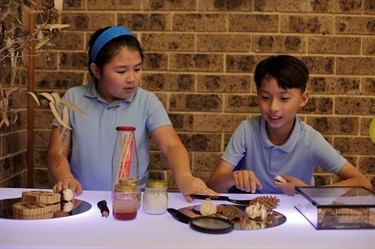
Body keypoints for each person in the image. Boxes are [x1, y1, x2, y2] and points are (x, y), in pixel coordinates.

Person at [47, 25, 217, 202]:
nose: (132, 78)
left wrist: (185, 177)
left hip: (131, 200)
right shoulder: (72, 98)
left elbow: (171, 145)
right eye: (121, 71)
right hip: (82, 198)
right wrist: (65, 177)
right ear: (96, 70)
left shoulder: (146, 101)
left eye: (137, 69)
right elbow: (56, 152)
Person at [206, 55, 372, 195]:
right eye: (265, 97)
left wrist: (306, 191)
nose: (273, 107)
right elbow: (212, 185)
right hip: (251, 219)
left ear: (303, 99)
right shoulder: (247, 130)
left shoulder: (310, 140)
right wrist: (233, 177)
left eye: (284, 98)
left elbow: (362, 183)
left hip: (297, 220)